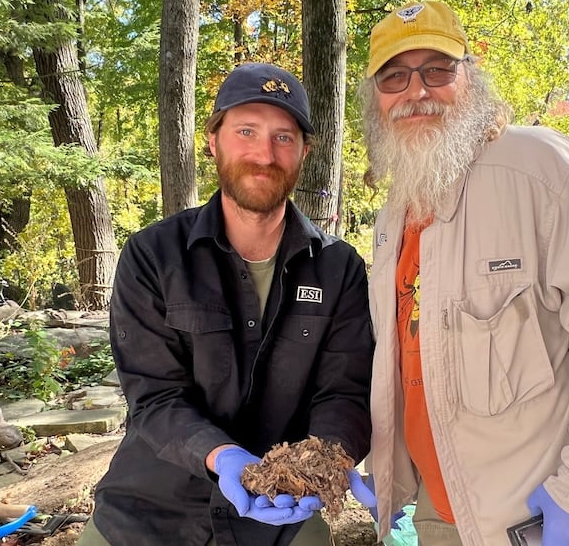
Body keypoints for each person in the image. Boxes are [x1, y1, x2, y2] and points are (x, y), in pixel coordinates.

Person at [359, 1, 569, 546]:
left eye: (437, 69)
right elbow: (410, 356)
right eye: (395, 76)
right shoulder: (396, 209)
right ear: (376, 98)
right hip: (441, 509)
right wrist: (389, 472)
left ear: (470, 77)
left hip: (540, 515)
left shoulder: (545, 171)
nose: (416, 91)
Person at [77, 63, 375, 546]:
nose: (264, 154)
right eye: (246, 131)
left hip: (282, 510)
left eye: (284, 137)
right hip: (150, 511)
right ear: (213, 141)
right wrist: (224, 456)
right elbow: (155, 397)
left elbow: (346, 392)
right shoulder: (153, 255)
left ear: (305, 152)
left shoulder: (339, 268)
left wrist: (328, 459)